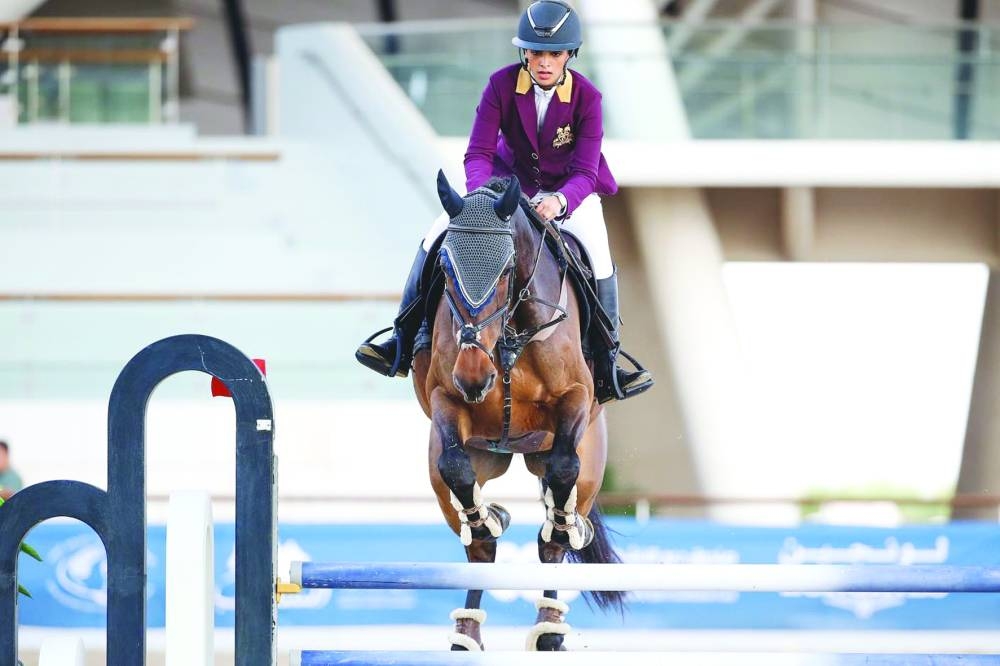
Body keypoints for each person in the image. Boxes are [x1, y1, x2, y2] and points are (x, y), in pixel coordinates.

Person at [356, 0, 653, 403]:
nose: (544, 62)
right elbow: (478, 153)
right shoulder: (500, 85)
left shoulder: (588, 97)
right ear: (524, 52)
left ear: (569, 55)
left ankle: (608, 360)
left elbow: (585, 171)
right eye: (536, 52)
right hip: (504, 190)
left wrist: (560, 202)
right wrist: (483, 198)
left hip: (569, 193)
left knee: (599, 255)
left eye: (554, 54)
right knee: (436, 234)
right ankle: (402, 338)